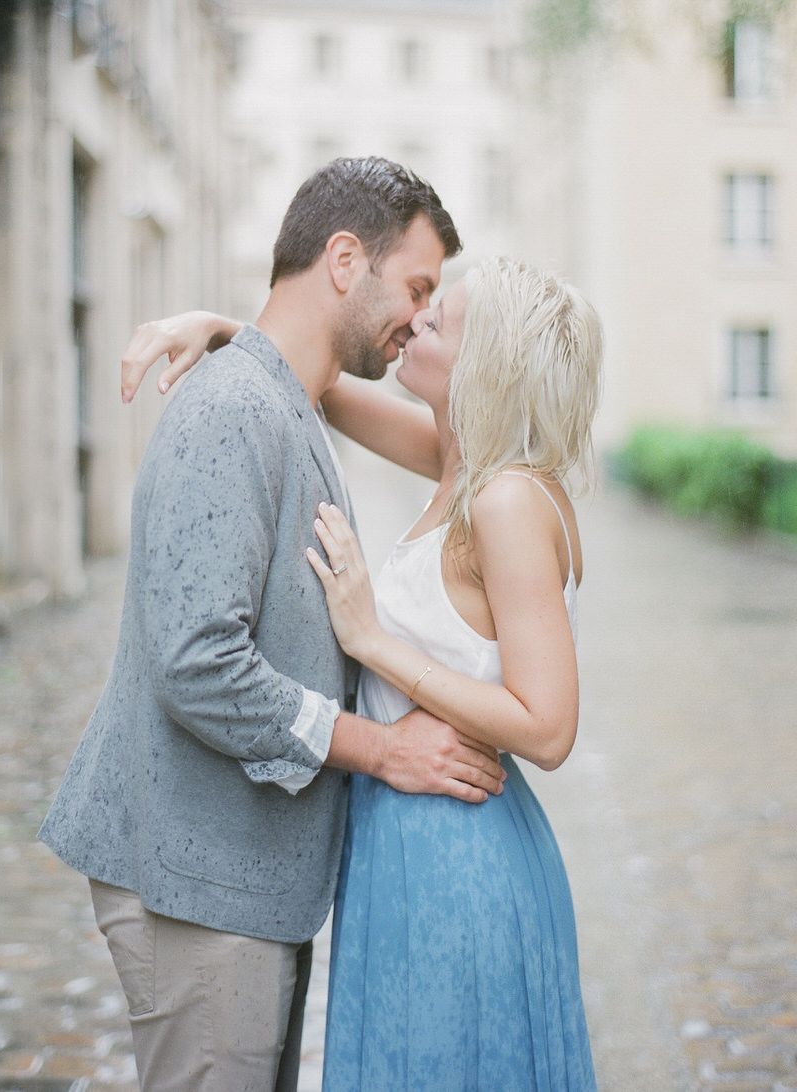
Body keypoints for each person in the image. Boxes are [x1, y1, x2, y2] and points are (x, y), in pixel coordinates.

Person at [39, 157, 508, 1092]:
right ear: (345, 259)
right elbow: (198, 662)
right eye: (416, 286)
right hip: (196, 885)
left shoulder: (280, 397)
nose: (421, 315)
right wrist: (381, 750)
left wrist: (224, 326)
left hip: (240, 888)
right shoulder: (232, 411)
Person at [123, 256, 604, 1089]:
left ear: (484, 364)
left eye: (438, 320)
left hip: (459, 850)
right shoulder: (459, 462)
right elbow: (326, 389)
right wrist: (226, 329)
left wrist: (375, 642)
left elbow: (550, 727)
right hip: (404, 838)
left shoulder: (507, 500)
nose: (415, 323)